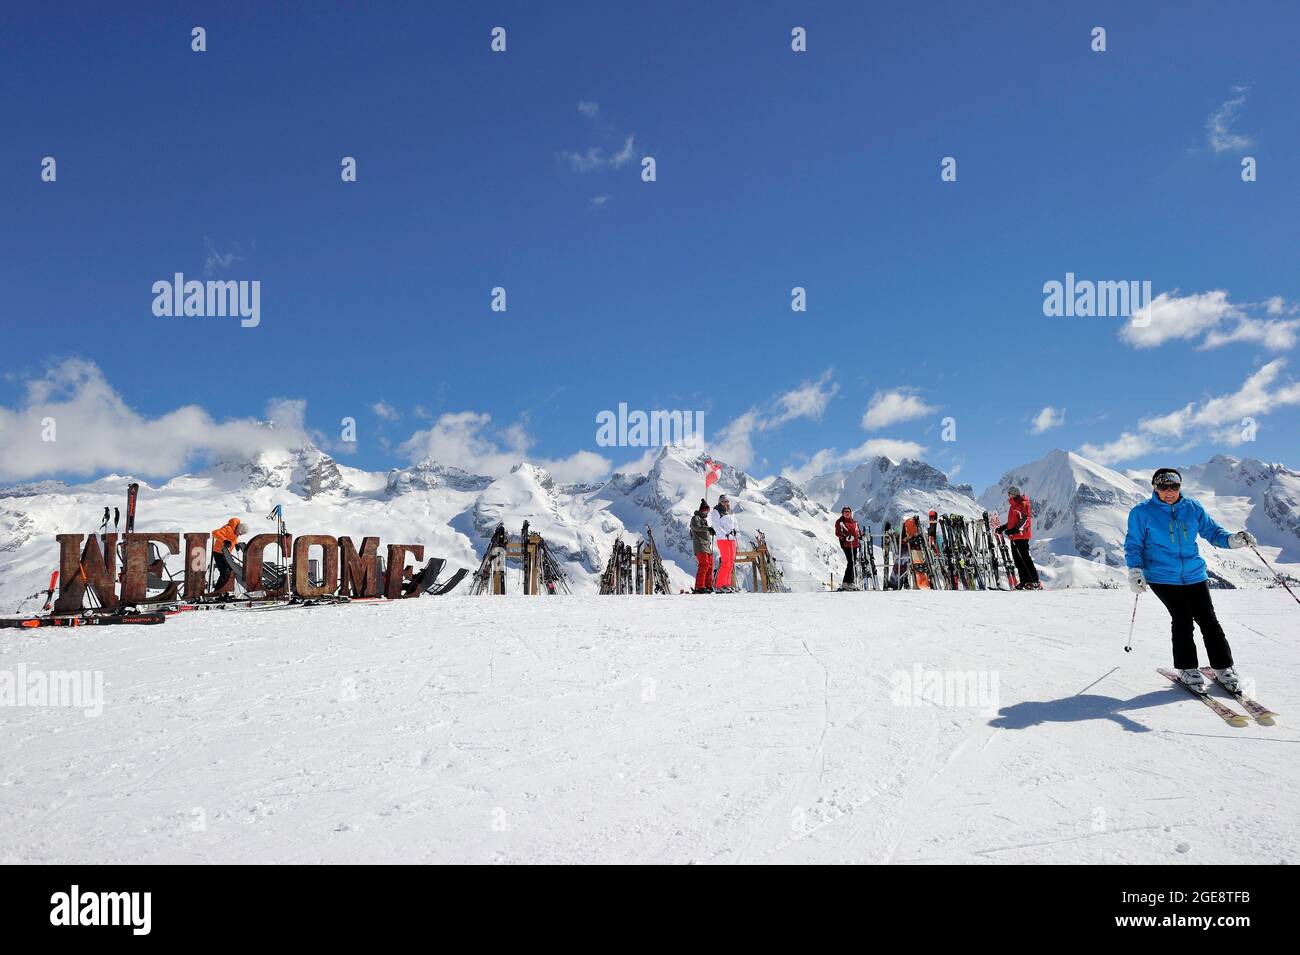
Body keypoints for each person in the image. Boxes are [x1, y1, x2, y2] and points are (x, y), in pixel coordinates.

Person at [1125, 467, 1257, 692]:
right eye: (1163, 486)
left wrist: (1233, 540)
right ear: (1155, 487)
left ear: (1180, 487)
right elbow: (1134, 544)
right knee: (1183, 618)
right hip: (1162, 576)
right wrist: (1135, 571)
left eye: (1174, 486)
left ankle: (1224, 667)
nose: (1169, 491)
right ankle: (1187, 668)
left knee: (1208, 620)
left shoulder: (1192, 507)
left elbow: (1213, 533)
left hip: (1194, 573)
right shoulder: (1142, 512)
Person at [997, 486, 1041, 590]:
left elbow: (1025, 519)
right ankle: (1024, 581)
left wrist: (1015, 530)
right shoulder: (1013, 506)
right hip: (1014, 537)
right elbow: (1013, 522)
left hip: (1021, 536)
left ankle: (1034, 581)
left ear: (1014, 494)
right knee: (1017, 560)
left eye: (1009, 493)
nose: (1008, 495)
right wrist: (1004, 527)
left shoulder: (1023, 504)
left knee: (1025, 558)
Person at [211, 517, 249, 591]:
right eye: (240, 533)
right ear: (238, 529)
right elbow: (215, 533)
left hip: (226, 553)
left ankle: (226, 590)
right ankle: (217, 591)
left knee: (232, 569)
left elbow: (232, 539)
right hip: (219, 553)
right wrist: (224, 540)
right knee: (225, 572)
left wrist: (236, 544)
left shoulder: (235, 532)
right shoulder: (228, 528)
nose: (240, 535)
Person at [711, 495, 739, 593]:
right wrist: (726, 535)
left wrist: (736, 532)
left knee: (731, 562)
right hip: (723, 539)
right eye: (723, 501)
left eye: (726, 501)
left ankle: (727, 584)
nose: (725, 503)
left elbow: (735, 524)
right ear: (720, 502)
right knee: (726, 561)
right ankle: (720, 585)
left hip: (732, 539)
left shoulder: (731, 511)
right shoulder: (716, 511)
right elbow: (716, 526)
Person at [689, 499, 715, 593]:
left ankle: (707, 585)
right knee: (704, 565)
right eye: (706, 510)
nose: (707, 512)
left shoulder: (703, 520)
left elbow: (703, 530)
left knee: (710, 566)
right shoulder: (696, 518)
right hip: (700, 545)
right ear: (702, 510)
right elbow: (696, 527)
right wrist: (708, 529)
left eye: (707, 511)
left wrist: (710, 531)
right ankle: (699, 586)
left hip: (706, 546)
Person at [834, 507, 861, 590]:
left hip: (855, 544)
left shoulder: (854, 522)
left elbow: (857, 532)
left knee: (853, 562)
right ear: (842, 513)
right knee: (851, 562)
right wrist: (845, 537)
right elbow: (838, 533)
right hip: (846, 544)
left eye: (848, 512)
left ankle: (850, 582)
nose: (847, 513)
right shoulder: (840, 522)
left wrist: (860, 535)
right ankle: (846, 582)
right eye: (845, 512)